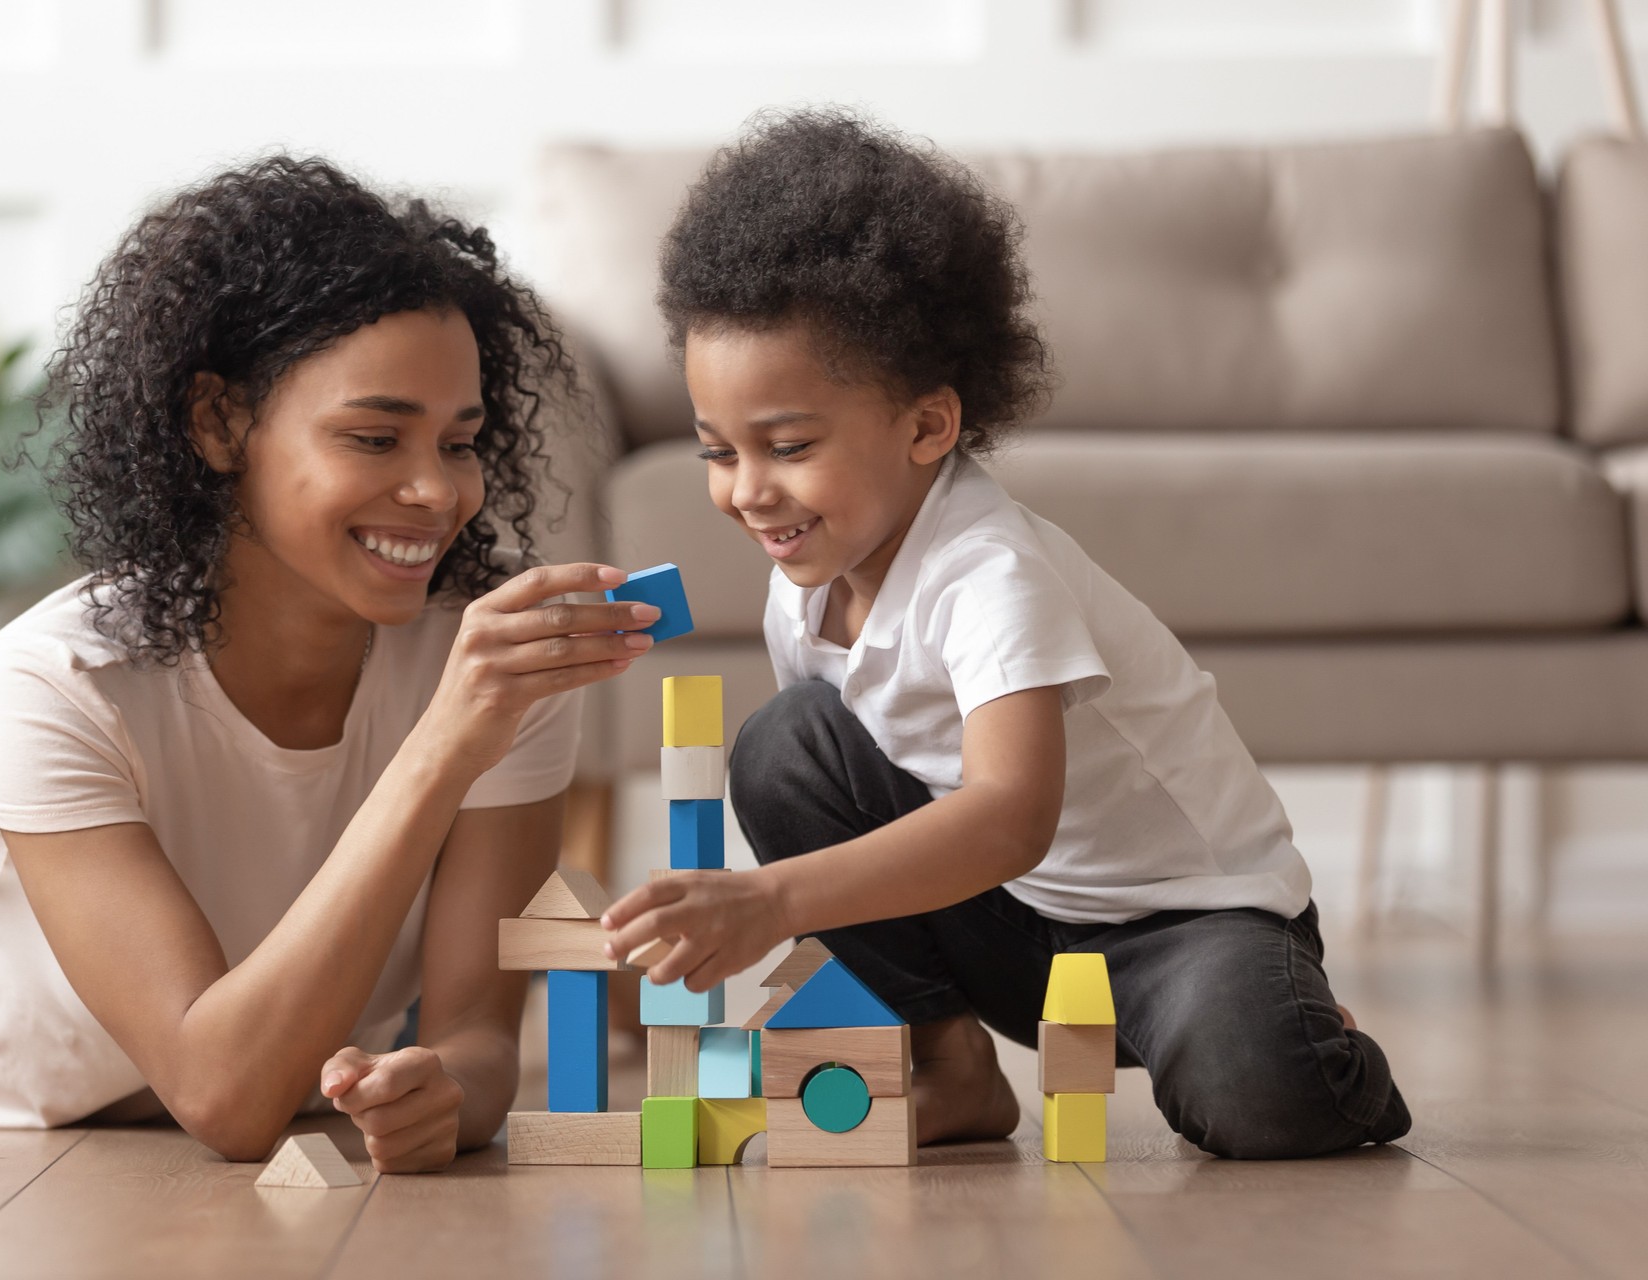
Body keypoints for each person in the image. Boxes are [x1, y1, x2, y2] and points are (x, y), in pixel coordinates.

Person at [0, 156, 657, 1171]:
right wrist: (443, 745)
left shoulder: (489, 658)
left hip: (139, 838)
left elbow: (477, 1033)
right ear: (218, 422)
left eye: (461, 441)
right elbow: (227, 1097)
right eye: (376, 435)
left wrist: (451, 1092)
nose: (437, 491)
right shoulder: (50, 676)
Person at [600, 110, 1411, 1159]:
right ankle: (951, 1067)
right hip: (998, 926)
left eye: (788, 446)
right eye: (719, 451)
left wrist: (768, 900)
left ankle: (1319, 1041)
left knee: (1257, 1091)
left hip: (1182, 928)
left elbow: (1007, 815)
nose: (748, 491)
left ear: (929, 426)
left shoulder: (991, 573)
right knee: (785, 743)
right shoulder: (806, 581)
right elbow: (871, 810)